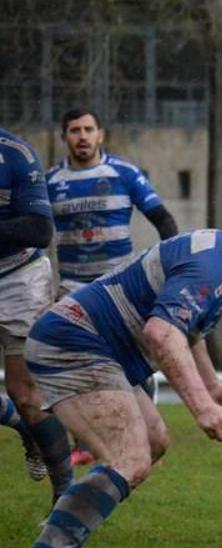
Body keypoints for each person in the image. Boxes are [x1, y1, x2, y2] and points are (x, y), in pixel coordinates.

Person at [25, 201, 222, 547]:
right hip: (73, 343)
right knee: (131, 459)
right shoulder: (214, 266)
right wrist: (203, 409)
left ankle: (60, 527)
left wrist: (211, 387)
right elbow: (162, 333)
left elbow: (187, 328)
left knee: (152, 443)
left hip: (96, 348)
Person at [47, 107, 179, 466]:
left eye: (89, 129)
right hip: (73, 285)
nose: (83, 136)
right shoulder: (51, 182)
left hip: (119, 282)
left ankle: (142, 423)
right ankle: (84, 440)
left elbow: (163, 219)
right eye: (75, 130)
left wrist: (170, 266)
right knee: (76, 357)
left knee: (131, 359)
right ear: (65, 138)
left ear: (101, 135)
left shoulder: (124, 173)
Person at [0, 126, 69, 503]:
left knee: (26, 395)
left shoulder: (15, 153)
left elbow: (40, 229)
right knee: (22, 409)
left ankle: (65, 494)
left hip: (18, 278)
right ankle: (25, 430)